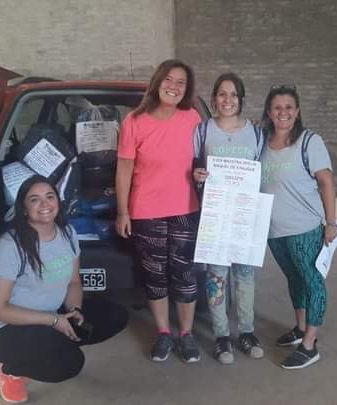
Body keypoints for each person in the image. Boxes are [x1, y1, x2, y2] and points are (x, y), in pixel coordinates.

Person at [0, 175, 128, 403]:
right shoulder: (8, 247)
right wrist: (52, 320)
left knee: (116, 316)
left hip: (54, 313)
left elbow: (74, 283)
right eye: (35, 199)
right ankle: (9, 370)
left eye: (50, 197)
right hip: (7, 328)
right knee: (69, 365)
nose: (44, 204)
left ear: (58, 202)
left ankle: (58, 342)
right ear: (23, 208)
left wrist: (76, 310)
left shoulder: (67, 234)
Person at [116, 59, 202, 363]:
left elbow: (203, 160)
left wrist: (204, 174)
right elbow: (124, 168)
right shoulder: (134, 121)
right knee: (155, 275)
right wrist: (122, 211)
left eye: (181, 82)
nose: (174, 86)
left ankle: (187, 334)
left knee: (185, 273)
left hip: (185, 208)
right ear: (157, 82)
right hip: (146, 211)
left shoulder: (192, 118)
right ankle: (164, 333)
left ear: (186, 89)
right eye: (169, 79)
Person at [259, 85, 337, 370]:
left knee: (311, 280)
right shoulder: (262, 142)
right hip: (273, 230)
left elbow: (327, 181)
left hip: (304, 228)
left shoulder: (308, 141)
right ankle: (300, 326)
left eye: (289, 107)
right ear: (269, 112)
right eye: (277, 107)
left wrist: (330, 223)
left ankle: (309, 344)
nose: (283, 113)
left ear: (298, 111)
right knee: (294, 278)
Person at [192, 73, 265, 364]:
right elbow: (193, 167)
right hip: (215, 215)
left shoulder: (256, 133)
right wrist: (197, 177)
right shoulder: (203, 130)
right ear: (213, 100)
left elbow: (261, 172)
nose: (228, 100)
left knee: (245, 276)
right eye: (222, 94)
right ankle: (222, 336)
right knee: (216, 277)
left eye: (234, 95)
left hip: (245, 216)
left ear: (242, 100)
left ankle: (246, 332)